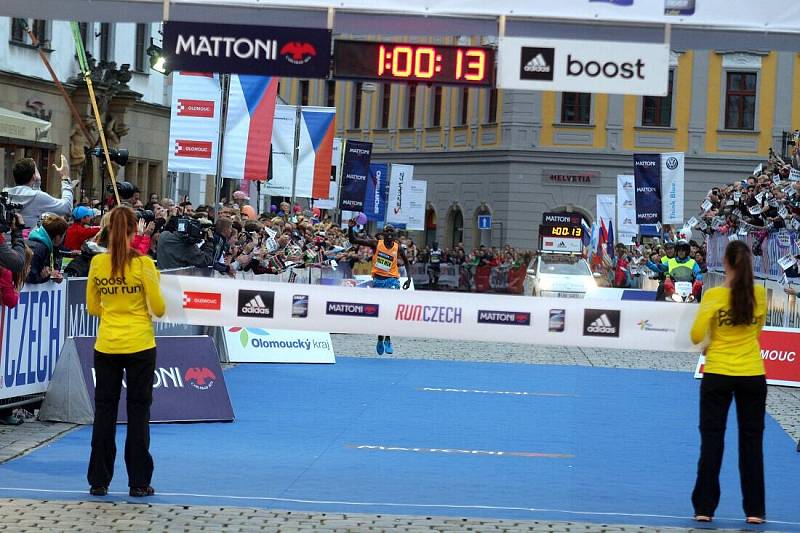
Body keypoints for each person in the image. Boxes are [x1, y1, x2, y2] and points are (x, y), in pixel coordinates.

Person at [86, 206, 165, 498]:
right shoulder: (143, 264)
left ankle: (98, 480)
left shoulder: (97, 264)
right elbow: (158, 307)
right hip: (140, 344)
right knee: (138, 412)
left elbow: (93, 307)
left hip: (107, 344)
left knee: (104, 413)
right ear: (134, 230)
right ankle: (139, 482)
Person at [689, 240, 767, 525]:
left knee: (711, 441)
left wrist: (713, 338)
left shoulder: (713, 296)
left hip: (718, 373)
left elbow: (697, 335)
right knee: (752, 443)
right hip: (752, 373)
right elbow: (756, 330)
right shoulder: (759, 294)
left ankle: (704, 507)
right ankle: (755, 510)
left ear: (725, 263)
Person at [347, 220, 411, 355]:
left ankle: (388, 339)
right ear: (383, 233)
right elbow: (353, 239)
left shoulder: (398, 248)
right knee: (381, 313)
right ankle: (380, 338)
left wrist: (409, 278)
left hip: (392, 281)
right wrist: (350, 227)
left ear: (394, 235)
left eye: (391, 232)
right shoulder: (376, 244)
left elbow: (406, 263)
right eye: (386, 231)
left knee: (391, 311)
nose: (389, 234)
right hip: (378, 282)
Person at [4, 155, 77, 228]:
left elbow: (30, 198)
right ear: (33, 177)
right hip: (29, 238)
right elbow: (67, 208)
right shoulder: (37, 197)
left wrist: (37, 183)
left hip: (7, 238)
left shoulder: (5, 193)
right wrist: (65, 178)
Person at [26, 214, 68, 285]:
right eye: (64, 235)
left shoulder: (49, 246)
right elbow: (29, 277)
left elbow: (49, 268)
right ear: (58, 237)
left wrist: (54, 274)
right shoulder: (40, 249)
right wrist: (45, 277)